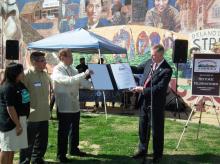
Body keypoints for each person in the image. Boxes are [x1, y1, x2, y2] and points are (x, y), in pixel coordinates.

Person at [131, 44, 172, 163]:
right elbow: (138, 69)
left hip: (156, 104)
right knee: (143, 128)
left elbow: (159, 88)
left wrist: (142, 90)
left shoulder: (167, 70)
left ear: (161, 55)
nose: (151, 57)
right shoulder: (150, 61)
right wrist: (124, 67)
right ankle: (142, 150)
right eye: (151, 55)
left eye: (154, 55)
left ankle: (157, 155)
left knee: (157, 131)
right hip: (144, 102)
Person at [51, 49, 92, 163]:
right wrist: (85, 73)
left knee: (74, 129)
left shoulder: (72, 69)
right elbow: (69, 81)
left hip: (74, 104)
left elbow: (81, 81)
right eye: (70, 56)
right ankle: (61, 155)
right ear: (62, 57)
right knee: (63, 131)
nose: (72, 58)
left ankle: (74, 149)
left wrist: (92, 86)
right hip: (64, 105)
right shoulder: (57, 69)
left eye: (72, 56)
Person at [20, 52, 51, 164]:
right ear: (34, 62)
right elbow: (22, 95)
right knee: (28, 142)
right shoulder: (26, 75)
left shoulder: (45, 74)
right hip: (31, 115)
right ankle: (24, 161)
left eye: (44, 60)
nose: (45, 63)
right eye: (42, 60)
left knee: (42, 140)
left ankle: (37, 158)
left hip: (44, 113)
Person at [0, 63, 30, 164]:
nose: (23, 73)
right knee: (6, 148)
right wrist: (18, 125)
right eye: (21, 71)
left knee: (12, 148)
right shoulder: (8, 87)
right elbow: (10, 108)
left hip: (19, 119)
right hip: (10, 123)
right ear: (15, 73)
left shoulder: (19, 84)